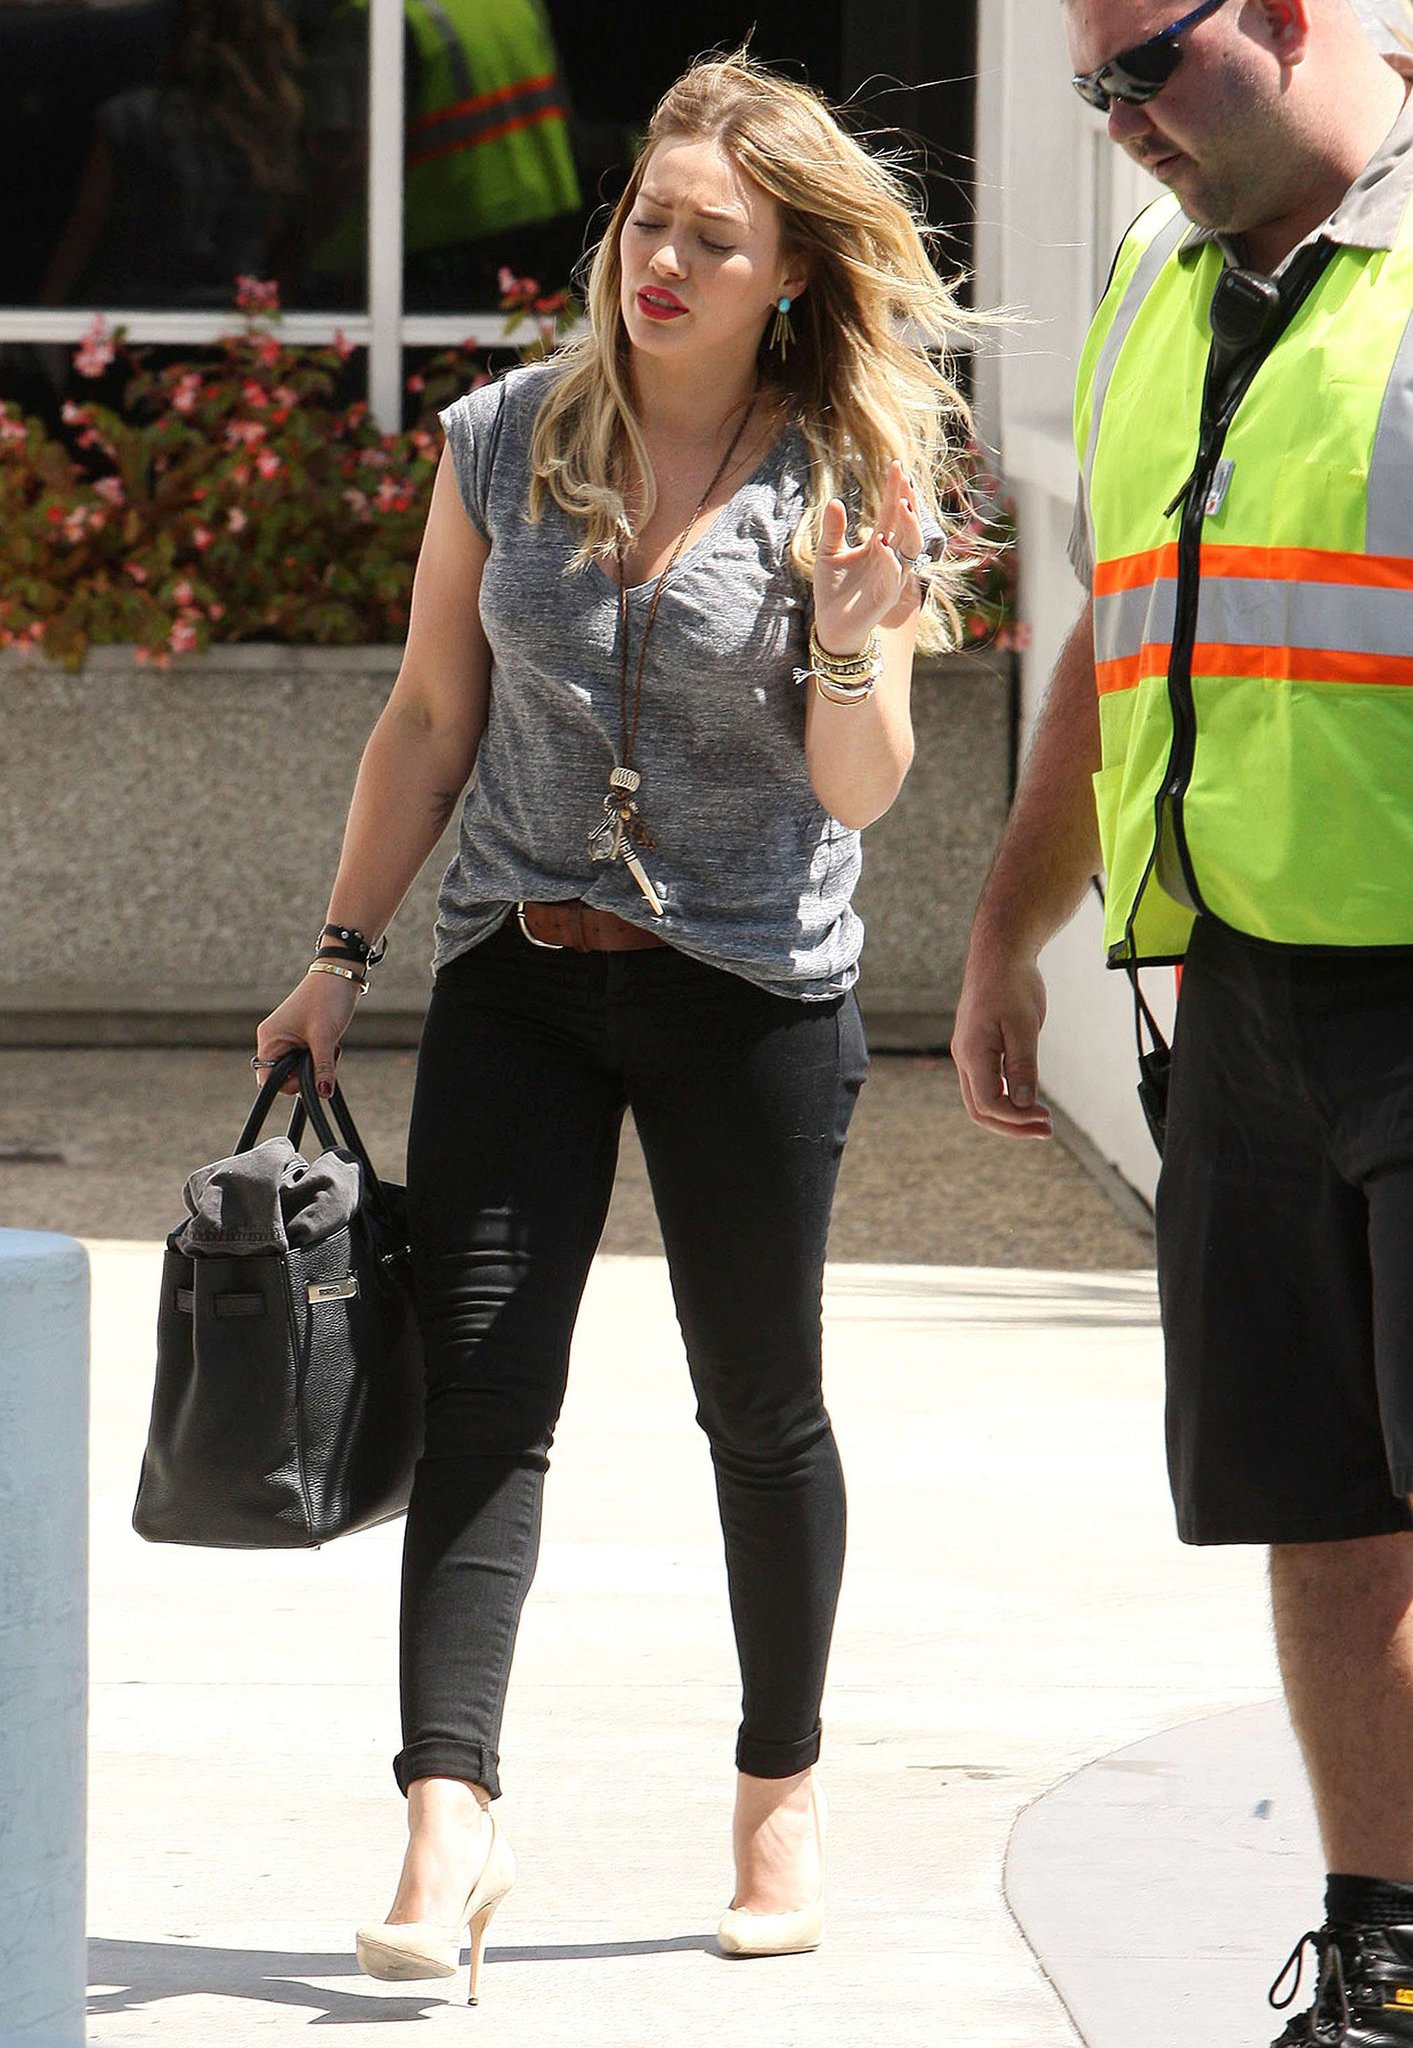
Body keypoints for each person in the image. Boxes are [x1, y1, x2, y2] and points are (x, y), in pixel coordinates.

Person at [254, 48, 976, 2001]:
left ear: (786, 275)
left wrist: (848, 623)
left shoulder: (852, 481)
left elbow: (857, 787)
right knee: (483, 1399)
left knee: (757, 1404)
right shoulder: (501, 438)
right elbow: (426, 716)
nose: (658, 259)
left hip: (751, 1002)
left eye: (709, 238)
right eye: (646, 221)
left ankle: (775, 1790)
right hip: (521, 983)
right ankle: (444, 1820)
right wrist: (341, 948)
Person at [952, 2, 1413, 2040]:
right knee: (1315, 1503)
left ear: (1295, 16)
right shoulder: (1161, 281)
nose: (1119, 122)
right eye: (1088, 90)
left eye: (1148, 64)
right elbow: (1116, 637)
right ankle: (1384, 1958)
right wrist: (1007, 932)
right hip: (1231, 997)